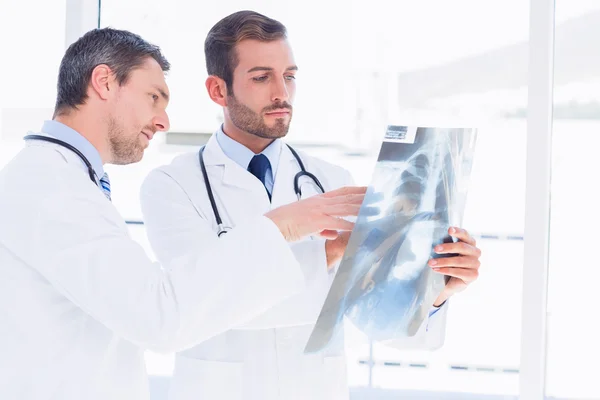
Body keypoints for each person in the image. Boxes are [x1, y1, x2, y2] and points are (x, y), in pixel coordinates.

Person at [0, 27, 366, 400]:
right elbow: (159, 314)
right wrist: (281, 227)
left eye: (289, 76)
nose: (164, 121)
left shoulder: (65, 180)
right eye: (153, 97)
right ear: (104, 82)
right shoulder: (53, 187)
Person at [139, 10, 482, 400]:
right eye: (261, 77)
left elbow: (373, 320)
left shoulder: (332, 181)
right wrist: (326, 253)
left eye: (289, 76)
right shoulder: (170, 187)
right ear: (219, 91)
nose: (281, 93)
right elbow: (198, 302)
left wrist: (435, 287)